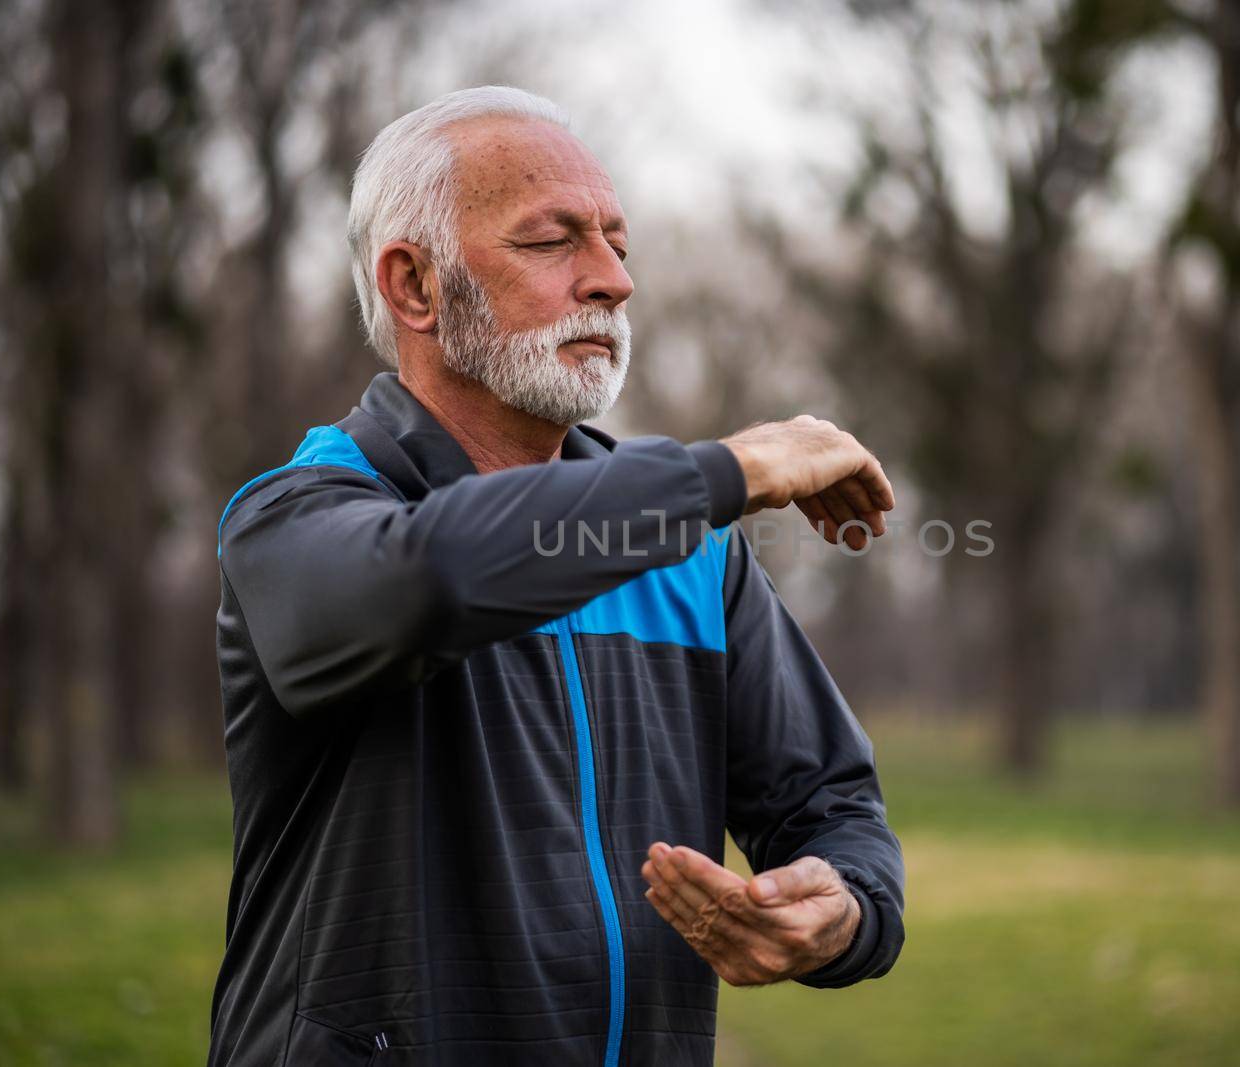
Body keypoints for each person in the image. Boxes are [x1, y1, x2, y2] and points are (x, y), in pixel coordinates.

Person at [207, 85, 905, 1067]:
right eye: (553, 240)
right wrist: (726, 470)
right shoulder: (294, 518)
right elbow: (433, 579)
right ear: (415, 286)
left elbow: (829, 801)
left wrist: (839, 908)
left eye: (620, 243)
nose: (612, 280)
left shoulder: (694, 552)